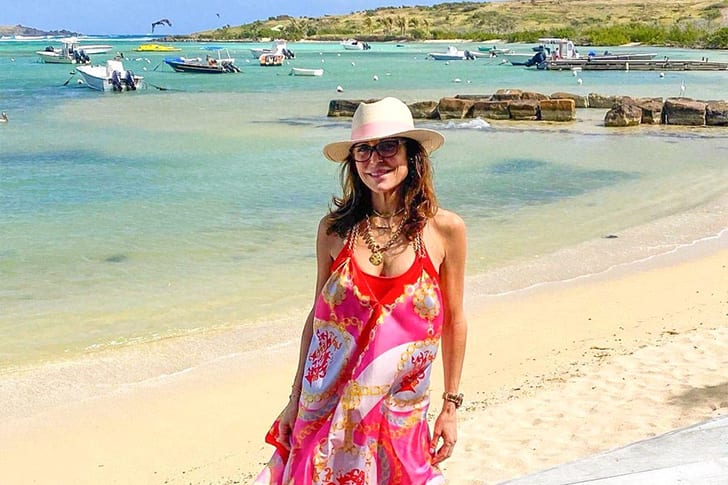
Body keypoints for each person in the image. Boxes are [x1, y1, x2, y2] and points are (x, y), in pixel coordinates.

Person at [253, 97, 468, 485]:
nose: (375, 160)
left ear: (412, 155)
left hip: (400, 414)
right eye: (363, 150)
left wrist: (450, 407)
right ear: (353, 161)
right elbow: (317, 320)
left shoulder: (444, 230)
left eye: (388, 146)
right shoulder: (334, 231)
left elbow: (454, 321)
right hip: (325, 410)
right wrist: (293, 400)